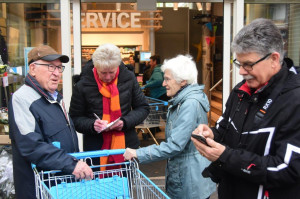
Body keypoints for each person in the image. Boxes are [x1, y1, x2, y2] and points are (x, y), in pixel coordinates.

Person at [191, 18, 300, 199]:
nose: (241, 71)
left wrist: (225, 157)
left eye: (248, 64)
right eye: (239, 63)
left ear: (274, 59)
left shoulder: (295, 100)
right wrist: (211, 135)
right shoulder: (241, 91)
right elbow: (224, 129)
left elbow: (287, 169)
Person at [124, 54, 216, 199]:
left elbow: (175, 145)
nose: (163, 84)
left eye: (167, 79)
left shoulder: (189, 104)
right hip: (186, 178)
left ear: (183, 81)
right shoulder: (182, 101)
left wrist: (138, 154)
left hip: (190, 182)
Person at [8, 45, 93, 199]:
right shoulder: (22, 98)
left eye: (59, 68)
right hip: (38, 188)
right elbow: (31, 145)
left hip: (61, 185)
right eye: (50, 67)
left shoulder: (54, 97)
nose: (56, 73)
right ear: (32, 69)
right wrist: (71, 164)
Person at [69, 43, 149, 169]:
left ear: (117, 66)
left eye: (111, 72)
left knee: (124, 185)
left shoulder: (128, 78)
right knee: (98, 187)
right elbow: (75, 118)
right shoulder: (83, 84)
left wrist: (125, 121)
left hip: (126, 147)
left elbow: (143, 108)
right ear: (95, 67)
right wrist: (92, 125)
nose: (107, 77)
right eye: (103, 73)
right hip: (96, 149)